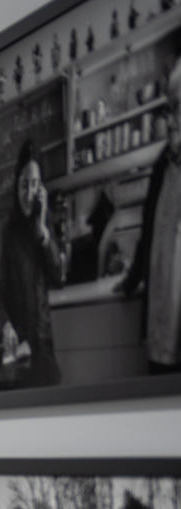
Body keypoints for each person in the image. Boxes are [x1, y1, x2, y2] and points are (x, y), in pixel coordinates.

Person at [116, 60, 181, 374]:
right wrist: (130, 281)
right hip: (159, 339)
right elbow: (149, 234)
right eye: (169, 109)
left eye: (178, 108)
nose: (170, 120)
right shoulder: (161, 167)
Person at [0, 140, 67, 386]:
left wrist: (43, 231)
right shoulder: (8, 233)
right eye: (24, 184)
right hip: (18, 349)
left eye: (34, 184)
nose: (28, 193)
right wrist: (4, 325)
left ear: (41, 188)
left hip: (44, 343)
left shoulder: (43, 227)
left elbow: (58, 277)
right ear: (17, 186)